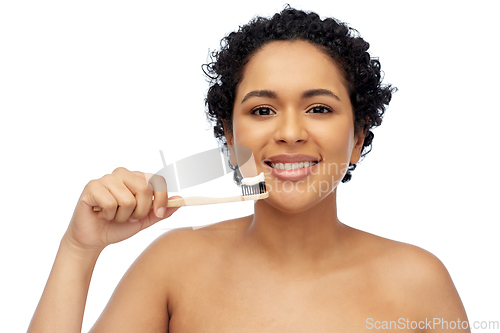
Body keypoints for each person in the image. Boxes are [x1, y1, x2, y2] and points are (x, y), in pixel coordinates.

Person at [28, 7, 470, 332]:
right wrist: (78, 250)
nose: (291, 132)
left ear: (357, 138)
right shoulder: (174, 266)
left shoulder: (418, 282)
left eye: (318, 108)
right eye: (262, 110)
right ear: (230, 136)